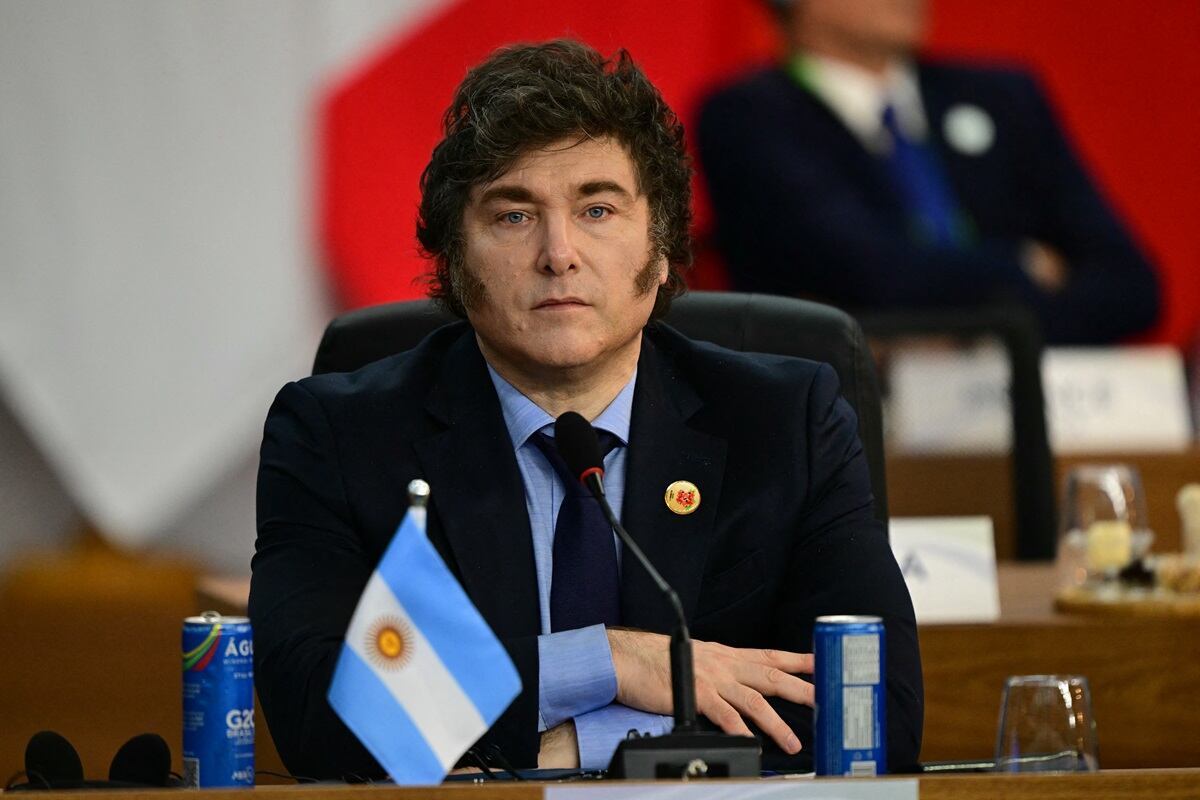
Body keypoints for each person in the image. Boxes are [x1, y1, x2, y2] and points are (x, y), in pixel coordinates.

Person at [250, 39, 922, 778]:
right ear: (452, 258)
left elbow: (871, 713)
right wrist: (603, 661)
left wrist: (582, 749)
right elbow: (323, 716)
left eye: (597, 209)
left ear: (661, 249)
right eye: (513, 216)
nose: (559, 253)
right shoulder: (338, 437)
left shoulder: (785, 422)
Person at [697, 0, 1160, 345]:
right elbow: (868, 271)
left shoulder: (1005, 97)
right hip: (855, 421)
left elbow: (1130, 283)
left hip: (1035, 405)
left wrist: (988, 343)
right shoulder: (748, 116)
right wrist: (1024, 265)